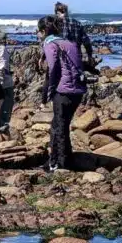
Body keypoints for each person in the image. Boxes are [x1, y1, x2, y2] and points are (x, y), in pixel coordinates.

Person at [39, 15, 86, 172]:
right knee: (61, 125)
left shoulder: (50, 43)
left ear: (44, 31)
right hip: (78, 90)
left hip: (64, 90)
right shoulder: (68, 42)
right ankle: (62, 160)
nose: (38, 35)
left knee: (59, 126)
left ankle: (59, 164)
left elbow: (53, 68)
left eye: (38, 31)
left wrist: (48, 91)